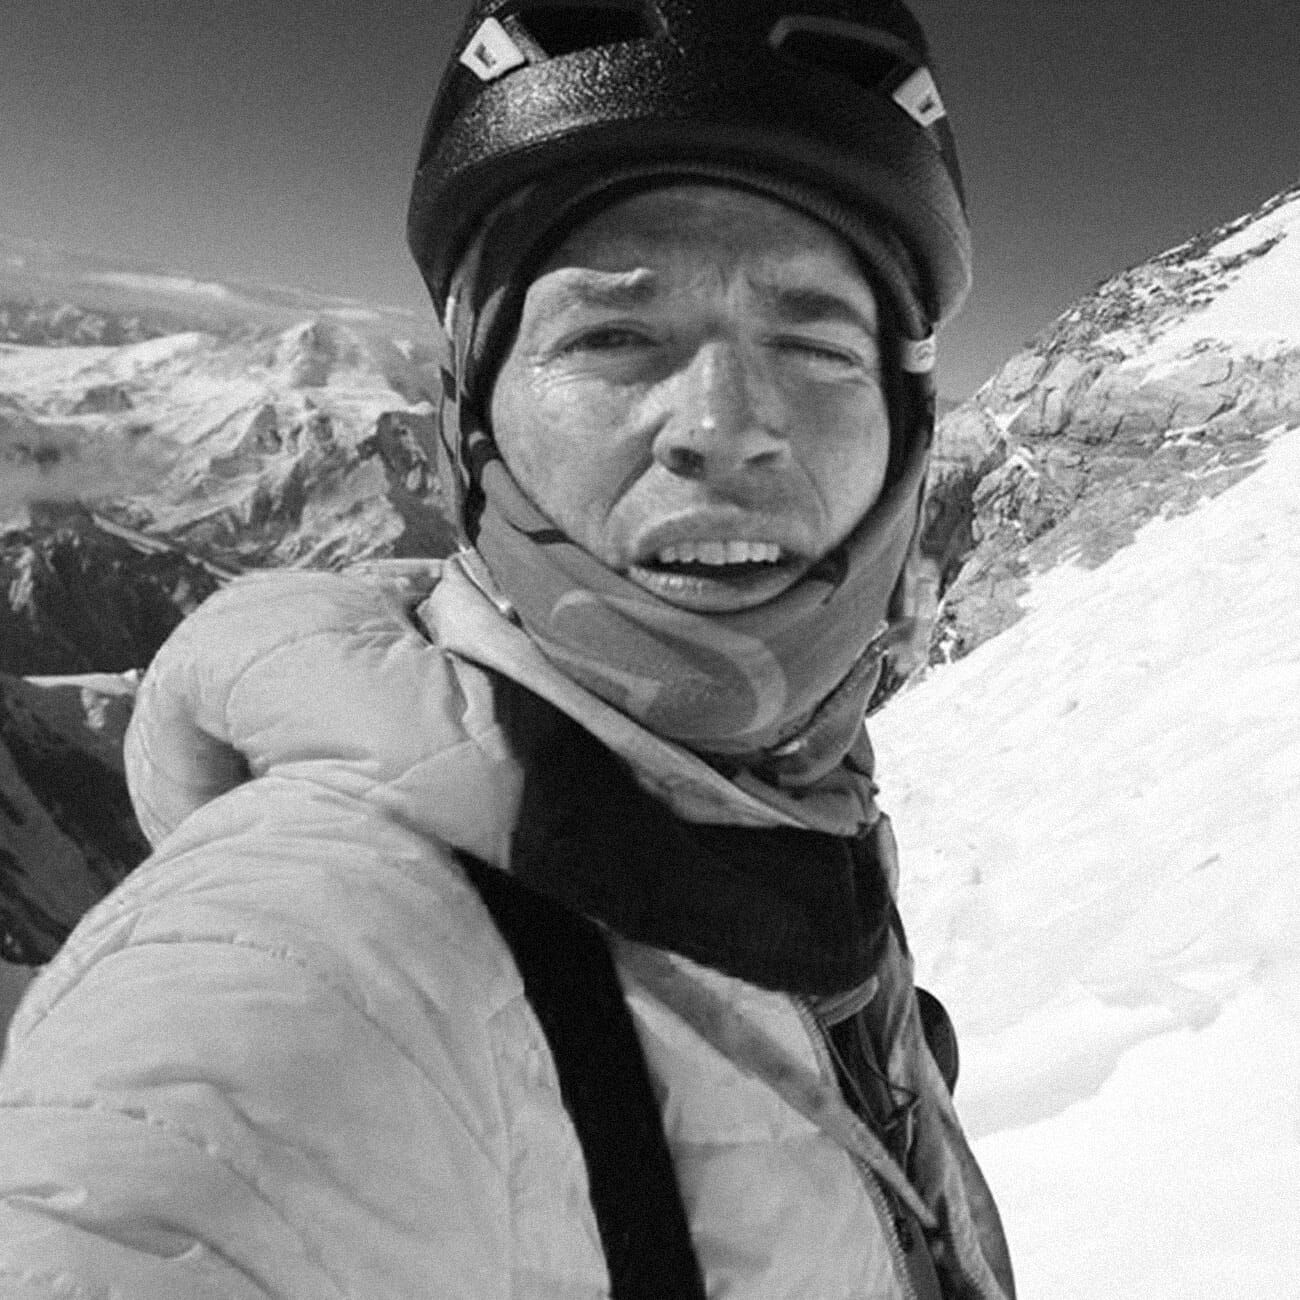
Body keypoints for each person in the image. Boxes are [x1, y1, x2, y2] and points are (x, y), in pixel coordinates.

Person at [0, 1, 1015, 1296]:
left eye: (815, 344)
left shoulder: (796, 821)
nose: (723, 427)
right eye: (613, 337)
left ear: (906, 431)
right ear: (471, 418)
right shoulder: (305, 964)